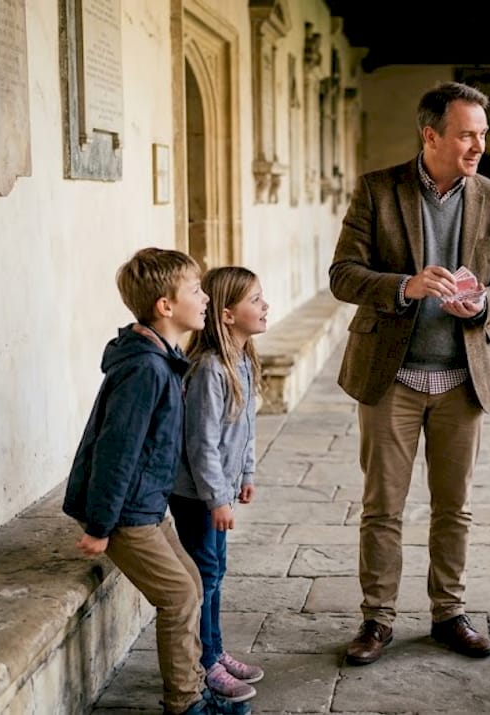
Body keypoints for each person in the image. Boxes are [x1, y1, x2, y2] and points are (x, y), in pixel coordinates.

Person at [328, 80, 490, 666]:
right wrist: (403, 288)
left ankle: (449, 614)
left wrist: (485, 303)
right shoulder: (377, 190)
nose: (478, 145)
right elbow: (342, 275)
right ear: (431, 135)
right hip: (391, 377)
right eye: (467, 134)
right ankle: (377, 620)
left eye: (483, 134)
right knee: (383, 506)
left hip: (462, 379)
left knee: (453, 507)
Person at [62, 248, 243, 715]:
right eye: (196, 291)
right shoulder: (145, 369)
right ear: (166, 306)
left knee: (194, 583)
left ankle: (196, 685)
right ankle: (185, 703)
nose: (205, 298)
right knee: (180, 596)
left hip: (144, 506)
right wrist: (100, 527)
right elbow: (115, 452)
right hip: (124, 515)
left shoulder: (162, 357)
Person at [170, 266, 269, 703]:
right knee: (205, 575)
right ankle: (205, 662)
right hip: (196, 495)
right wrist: (217, 498)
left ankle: (214, 650)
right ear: (227, 315)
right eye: (255, 300)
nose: (265, 307)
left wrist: (245, 474)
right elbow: (201, 443)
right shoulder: (210, 369)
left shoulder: (242, 360)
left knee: (215, 571)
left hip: (218, 492)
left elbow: (244, 427)